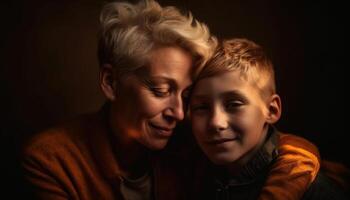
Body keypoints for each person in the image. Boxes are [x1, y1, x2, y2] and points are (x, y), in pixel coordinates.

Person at [20, 0, 322, 200]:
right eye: (161, 91)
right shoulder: (51, 161)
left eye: (188, 96)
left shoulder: (191, 139)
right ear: (111, 83)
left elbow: (286, 146)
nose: (179, 113)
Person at [188, 38, 349, 199]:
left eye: (234, 104)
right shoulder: (190, 176)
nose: (216, 122)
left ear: (271, 110)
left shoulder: (314, 191)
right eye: (201, 107)